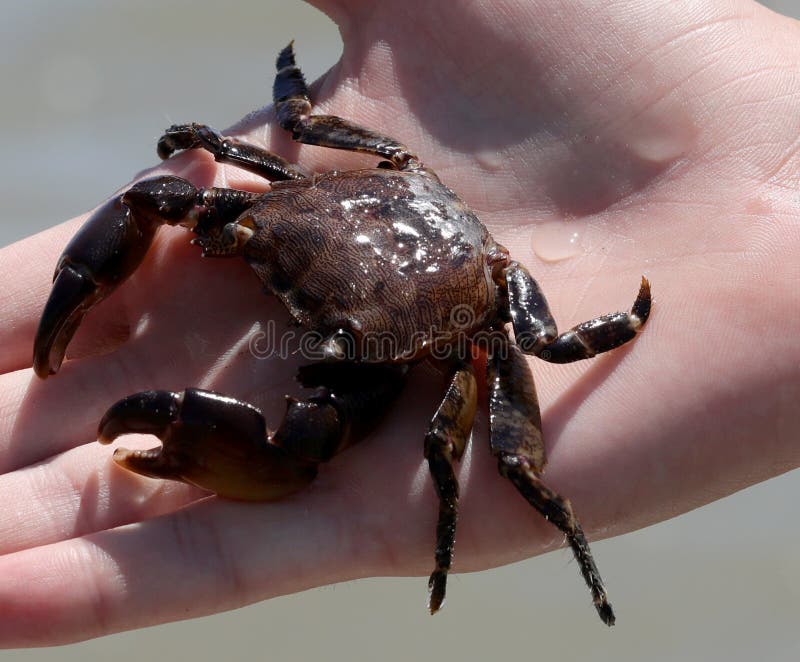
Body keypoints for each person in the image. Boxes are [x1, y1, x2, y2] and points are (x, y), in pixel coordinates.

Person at [0, 0, 797, 645]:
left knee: (511, 466)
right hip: (347, 214)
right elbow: (275, 139)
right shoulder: (326, 182)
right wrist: (220, 177)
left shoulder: (470, 330)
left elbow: (549, 344)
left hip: (433, 298)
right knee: (165, 197)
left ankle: (567, 550)